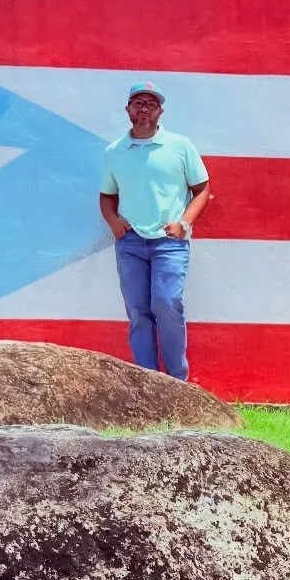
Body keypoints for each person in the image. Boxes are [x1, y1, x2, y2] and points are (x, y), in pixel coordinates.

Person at [98, 81, 211, 382]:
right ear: (128, 109)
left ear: (160, 110)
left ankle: (177, 382)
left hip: (169, 243)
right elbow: (107, 195)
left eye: (150, 104)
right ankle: (149, 382)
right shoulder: (115, 151)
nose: (144, 109)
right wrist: (114, 223)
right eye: (138, 103)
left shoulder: (180, 147)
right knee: (137, 311)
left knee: (166, 303)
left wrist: (184, 223)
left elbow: (201, 189)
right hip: (131, 243)